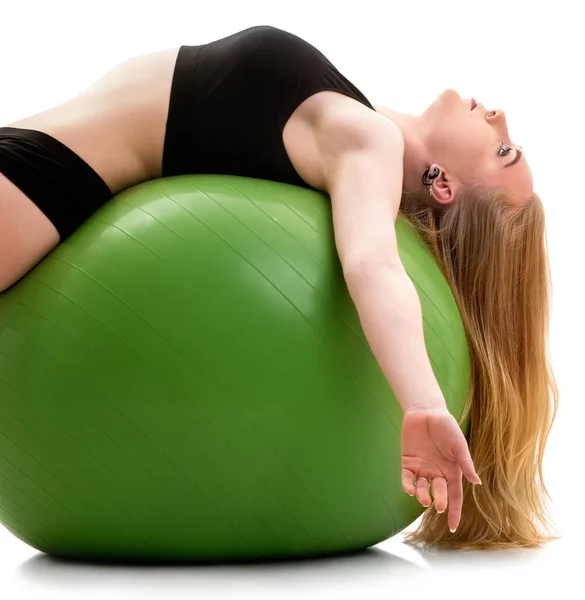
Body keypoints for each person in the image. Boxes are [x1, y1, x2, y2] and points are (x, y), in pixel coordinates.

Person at [0, 25, 559, 550]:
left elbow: (372, 264)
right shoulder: (367, 125)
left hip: (44, 181)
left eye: (501, 148)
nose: (498, 116)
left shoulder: (369, 145)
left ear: (443, 187)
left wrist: (423, 402)